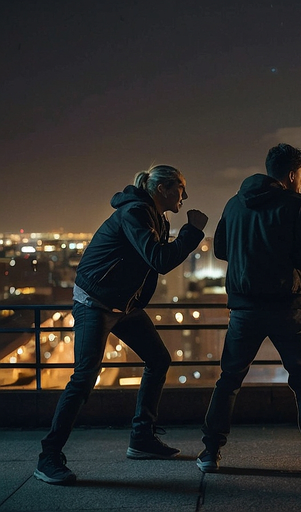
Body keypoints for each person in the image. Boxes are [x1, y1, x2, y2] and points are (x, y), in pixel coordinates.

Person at [34, 164, 208, 485]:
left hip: (121, 304)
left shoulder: (155, 216)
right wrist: (192, 231)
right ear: (161, 189)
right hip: (95, 302)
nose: (185, 195)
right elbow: (159, 259)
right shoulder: (136, 212)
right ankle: (49, 457)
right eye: (180, 188)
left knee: (158, 360)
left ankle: (141, 438)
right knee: (85, 378)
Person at [197, 143, 301, 478]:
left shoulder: (234, 204)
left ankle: (210, 450)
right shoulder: (298, 205)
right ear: (291, 175)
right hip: (285, 306)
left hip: (244, 307)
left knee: (229, 379)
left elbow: (220, 248)